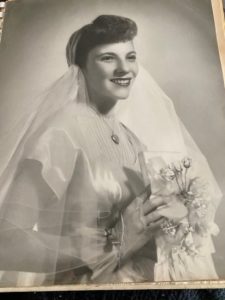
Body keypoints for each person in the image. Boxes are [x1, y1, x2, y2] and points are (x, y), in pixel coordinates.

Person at [0, 15, 222, 286]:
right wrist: (113, 244)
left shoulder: (131, 139)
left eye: (130, 57)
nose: (123, 69)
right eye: (107, 58)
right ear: (80, 68)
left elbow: (141, 220)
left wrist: (174, 212)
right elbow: (6, 242)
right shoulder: (62, 131)